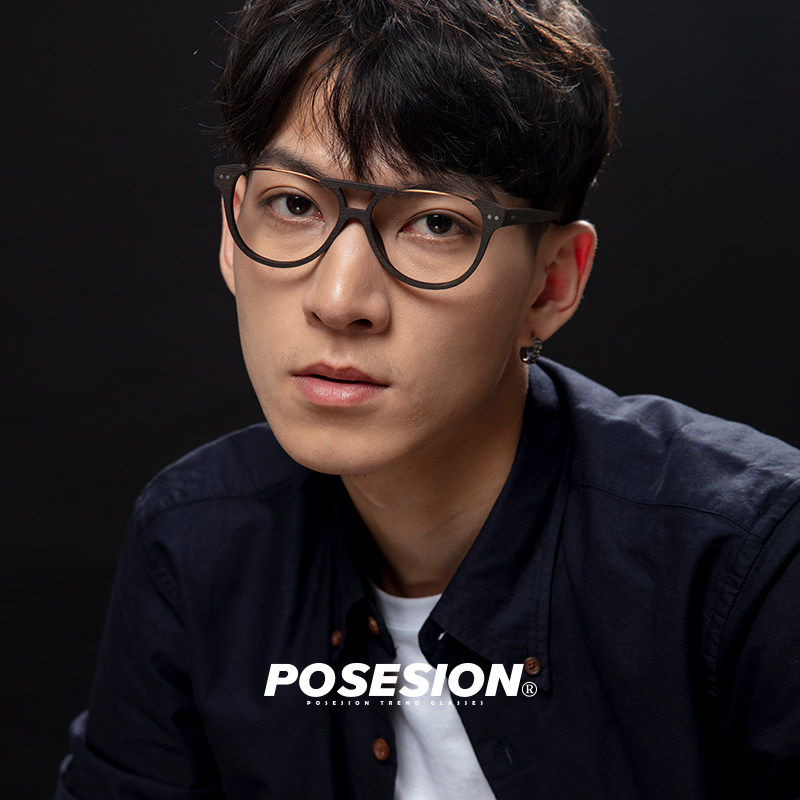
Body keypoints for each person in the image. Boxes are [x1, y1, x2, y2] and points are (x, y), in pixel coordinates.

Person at [54, 0, 800, 797]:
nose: (340, 300)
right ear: (233, 233)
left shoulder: (750, 562)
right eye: (294, 204)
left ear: (552, 284)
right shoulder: (194, 541)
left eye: (436, 223)